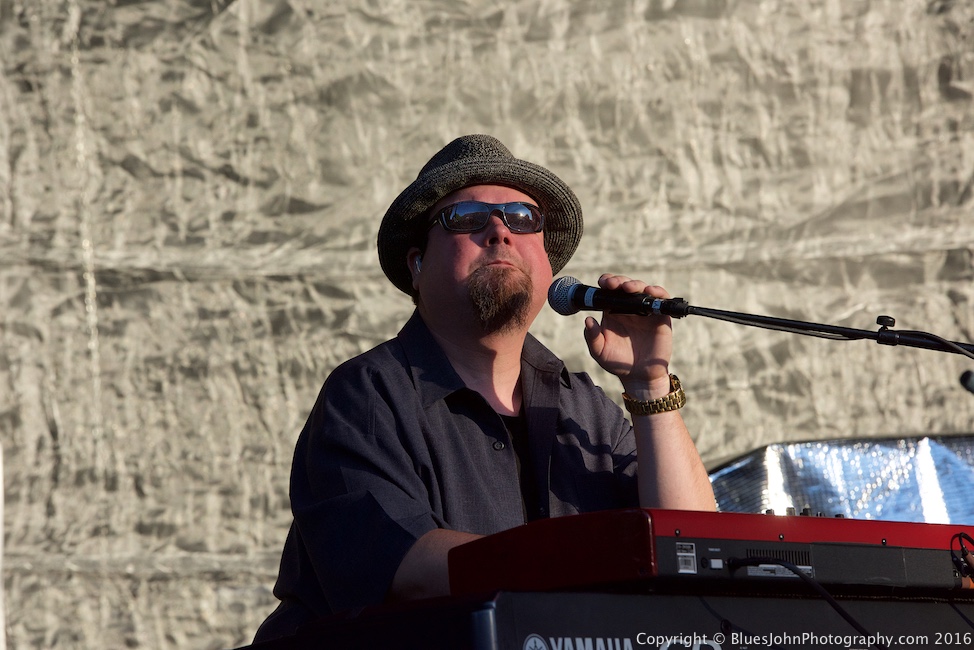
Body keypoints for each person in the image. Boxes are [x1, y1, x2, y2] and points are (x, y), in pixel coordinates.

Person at [254, 134, 715, 641]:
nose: (499, 231)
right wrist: (593, 561)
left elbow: (692, 552)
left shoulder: (586, 407)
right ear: (417, 264)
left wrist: (650, 386)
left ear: (547, 266)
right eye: (467, 218)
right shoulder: (365, 394)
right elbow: (409, 570)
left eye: (523, 218)